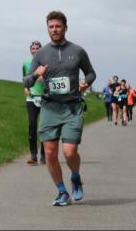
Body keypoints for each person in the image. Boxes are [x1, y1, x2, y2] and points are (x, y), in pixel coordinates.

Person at [23, 11, 96, 206]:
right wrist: (36, 74)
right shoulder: (41, 54)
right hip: (49, 108)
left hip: (72, 108)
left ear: (65, 27)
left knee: (70, 152)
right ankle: (62, 192)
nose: (54, 30)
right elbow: (26, 80)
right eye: (51, 27)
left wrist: (85, 83)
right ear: (47, 28)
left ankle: (75, 177)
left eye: (58, 26)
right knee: (49, 153)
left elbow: (91, 73)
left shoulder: (78, 51)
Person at [23, 40, 45, 164]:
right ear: (30, 50)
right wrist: (26, 88)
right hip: (31, 98)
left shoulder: (46, 64)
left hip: (44, 99)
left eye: (37, 48)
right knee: (32, 125)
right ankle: (33, 155)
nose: (35, 50)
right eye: (33, 48)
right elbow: (24, 79)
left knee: (43, 127)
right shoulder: (26, 64)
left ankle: (44, 155)